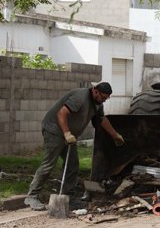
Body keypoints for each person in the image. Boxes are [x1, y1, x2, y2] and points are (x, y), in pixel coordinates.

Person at [24, 82, 125, 211]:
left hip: (69, 134)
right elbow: (62, 113)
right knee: (48, 164)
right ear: (95, 91)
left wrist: (115, 135)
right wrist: (66, 133)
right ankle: (31, 196)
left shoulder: (97, 103)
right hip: (54, 130)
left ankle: (68, 197)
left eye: (106, 98)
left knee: (72, 165)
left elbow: (101, 119)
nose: (104, 100)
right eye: (103, 97)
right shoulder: (80, 97)